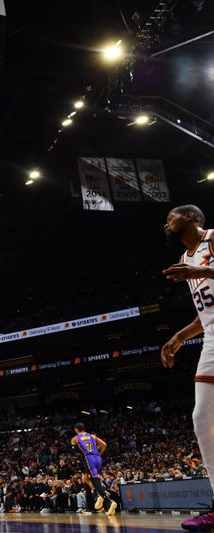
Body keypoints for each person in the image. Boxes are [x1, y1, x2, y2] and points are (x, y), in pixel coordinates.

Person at [161, 204, 214, 531]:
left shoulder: (212, 239)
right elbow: (205, 311)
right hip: (211, 334)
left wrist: (204, 272)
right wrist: (178, 337)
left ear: (190, 217)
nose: (166, 223)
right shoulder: (184, 262)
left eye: (171, 217)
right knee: (202, 418)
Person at [70, 423, 116, 515]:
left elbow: (74, 451)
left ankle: (108, 501)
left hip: (88, 459)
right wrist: (99, 453)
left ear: (76, 429)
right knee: (86, 479)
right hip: (97, 458)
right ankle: (91, 507)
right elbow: (104, 444)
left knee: (94, 480)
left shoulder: (75, 438)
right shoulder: (92, 436)